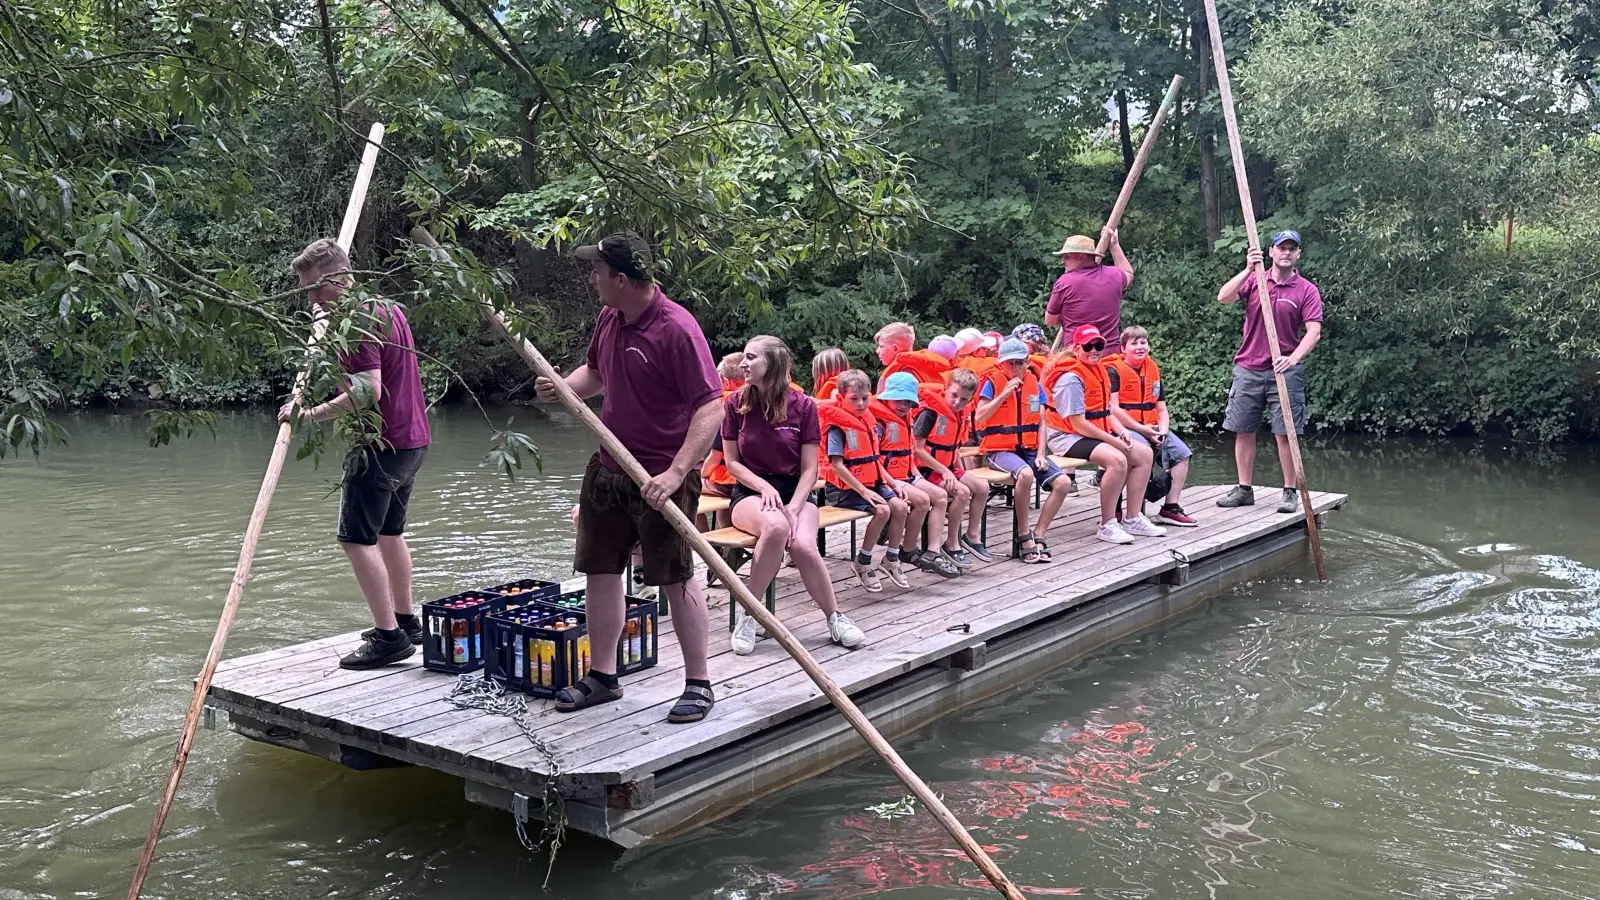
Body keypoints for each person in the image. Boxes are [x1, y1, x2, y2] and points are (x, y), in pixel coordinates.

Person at [534, 231, 720, 724]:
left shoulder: (676, 329)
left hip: (663, 475)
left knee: (676, 577)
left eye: (596, 270)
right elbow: (594, 374)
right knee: (600, 569)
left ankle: (698, 682)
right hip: (609, 468)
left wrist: (677, 470)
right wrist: (560, 387)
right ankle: (603, 676)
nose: (591, 277)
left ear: (621, 277)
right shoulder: (610, 318)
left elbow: (711, 406)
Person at [279, 238, 431, 670]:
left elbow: (367, 390)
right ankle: (405, 620)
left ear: (339, 279)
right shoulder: (386, 307)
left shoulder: (357, 321)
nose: (310, 298)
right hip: (413, 440)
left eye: (314, 288)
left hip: (380, 446)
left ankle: (389, 638)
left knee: (355, 538)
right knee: (389, 532)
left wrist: (309, 414)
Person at [721, 336, 866, 655]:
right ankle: (750, 614)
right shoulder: (735, 404)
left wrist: (795, 506)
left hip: (796, 493)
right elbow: (731, 463)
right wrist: (763, 486)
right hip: (750, 494)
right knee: (775, 528)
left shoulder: (803, 406)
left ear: (771, 364)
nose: (743, 363)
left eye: (750, 357)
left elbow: (810, 469)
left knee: (801, 543)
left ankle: (835, 618)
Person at [1215, 230, 1324, 513]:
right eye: (1281, 248)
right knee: (1243, 429)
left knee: (1285, 433)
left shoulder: (1306, 290)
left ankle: (1290, 491)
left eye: (1292, 249)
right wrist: (1248, 269)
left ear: (1298, 254)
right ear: (1271, 252)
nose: (1286, 253)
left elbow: (1314, 331)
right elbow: (1223, 297)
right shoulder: (1255, 280)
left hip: (1285, 371)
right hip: (1248, 367)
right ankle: (1244, 488)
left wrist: (1293, 358)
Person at [1040, 325, 1167, 545]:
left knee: (1144, 454)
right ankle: (1107, 523)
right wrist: (1112, 440)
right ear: (1077, 348)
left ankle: (1133, 517)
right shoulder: (1071, 378)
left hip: (1092, 432)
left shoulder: (1099, 371)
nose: (1094, 350)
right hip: (1066, 436)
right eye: (1089, 346)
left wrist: (1122, 431)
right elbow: (1078, 423)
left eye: (1098, 345)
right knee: (1117, 459)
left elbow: (1105, 411)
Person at [973, 337, 1070, 563]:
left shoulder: (1034, 384)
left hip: (1028, 448)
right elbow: (980, 416)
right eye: (1010, 363)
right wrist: (1005, 393)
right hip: (1000, 450)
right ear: (1001, 364)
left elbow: (1042, 422)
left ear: (1027, 362)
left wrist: (1041, 453)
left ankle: (1040, 533)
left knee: (1063, 483)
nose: (1015, 368)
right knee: (1025, 474)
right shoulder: (991, 383)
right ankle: (1023, 536)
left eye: (1020, 363)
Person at [820, 369, 912, 591]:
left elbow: (872, 459)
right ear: (841, 398)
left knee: (900, 507)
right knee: (883, 511)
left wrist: (891, 482)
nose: (861, 404)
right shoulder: (836, 427)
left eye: (864, 398)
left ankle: (891, 559)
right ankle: (862, 562)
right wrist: (863, 491)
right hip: (845, 489)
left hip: (872, 482)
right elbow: (837, 466)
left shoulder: (867, 421)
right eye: (854, 399)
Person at [872, 373, 961, 578]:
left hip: (907, 473)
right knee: (922, 500)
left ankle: (933, 552)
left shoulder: (906, 417)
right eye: (899, 399)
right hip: (888, 478)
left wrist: (916, 474)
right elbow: (873, 458)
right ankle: (908, 550)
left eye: (908, 401)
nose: (904, 405)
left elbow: (909, 451)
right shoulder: (878, 422)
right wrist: (892, 482)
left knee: (939, 496)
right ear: (887, 397)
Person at [1106, 326, 1196, 527]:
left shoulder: (1153, 369)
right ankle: (1121, 509)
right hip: (1123, 428)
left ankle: (1170, 508)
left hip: (1152, 427)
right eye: (1134, 343)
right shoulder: (1113, 371)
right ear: (1123, 348)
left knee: (1181, 454)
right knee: (1139, 452)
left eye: (1143, 342)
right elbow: (1113, 409)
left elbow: (1162, 410)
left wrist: (1162, 431)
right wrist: (1141, 429)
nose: (1140, 347)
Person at [912, 367, 995, 565]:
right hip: (927, 469)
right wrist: (945, 471)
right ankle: (951, 544)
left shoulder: (960, 414)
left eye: (964, 399)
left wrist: (958, 471)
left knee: (982, 487)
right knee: (962, 493)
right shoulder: (930, 413)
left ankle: (972, 536)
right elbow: (918, 450)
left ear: (971, 399)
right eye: (954, 395)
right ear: (946, 388)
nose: (957, 402)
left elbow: (954, 446)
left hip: (947, 467)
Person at [1044, 227, 1134, 356]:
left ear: (1081, 256)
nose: (1063, 261)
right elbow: (1129, 273)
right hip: (1110, 355)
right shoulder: (1113, 275)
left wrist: (1069, 314)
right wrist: (1114, 246)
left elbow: (1050, 320)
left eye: (1067, 256)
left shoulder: (1065, 282)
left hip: (1078, 355)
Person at [875, 322, 950, 388]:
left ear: (895, 348)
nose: (877, 351)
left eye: (881, 346)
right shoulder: (922, 367)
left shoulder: (903, 376)